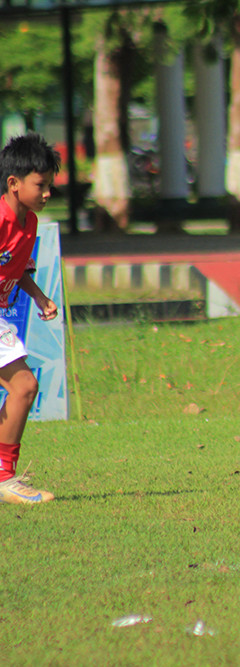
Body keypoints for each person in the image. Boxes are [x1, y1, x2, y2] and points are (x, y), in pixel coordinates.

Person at [0, 133, 60, 505]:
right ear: (14, 183)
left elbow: (16, 270)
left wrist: (40, 297)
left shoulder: (29, 223)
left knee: (23, 388)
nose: (47, 192)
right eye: (41, 184)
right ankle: (5, 478)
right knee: (23, 387)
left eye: (50, 185)